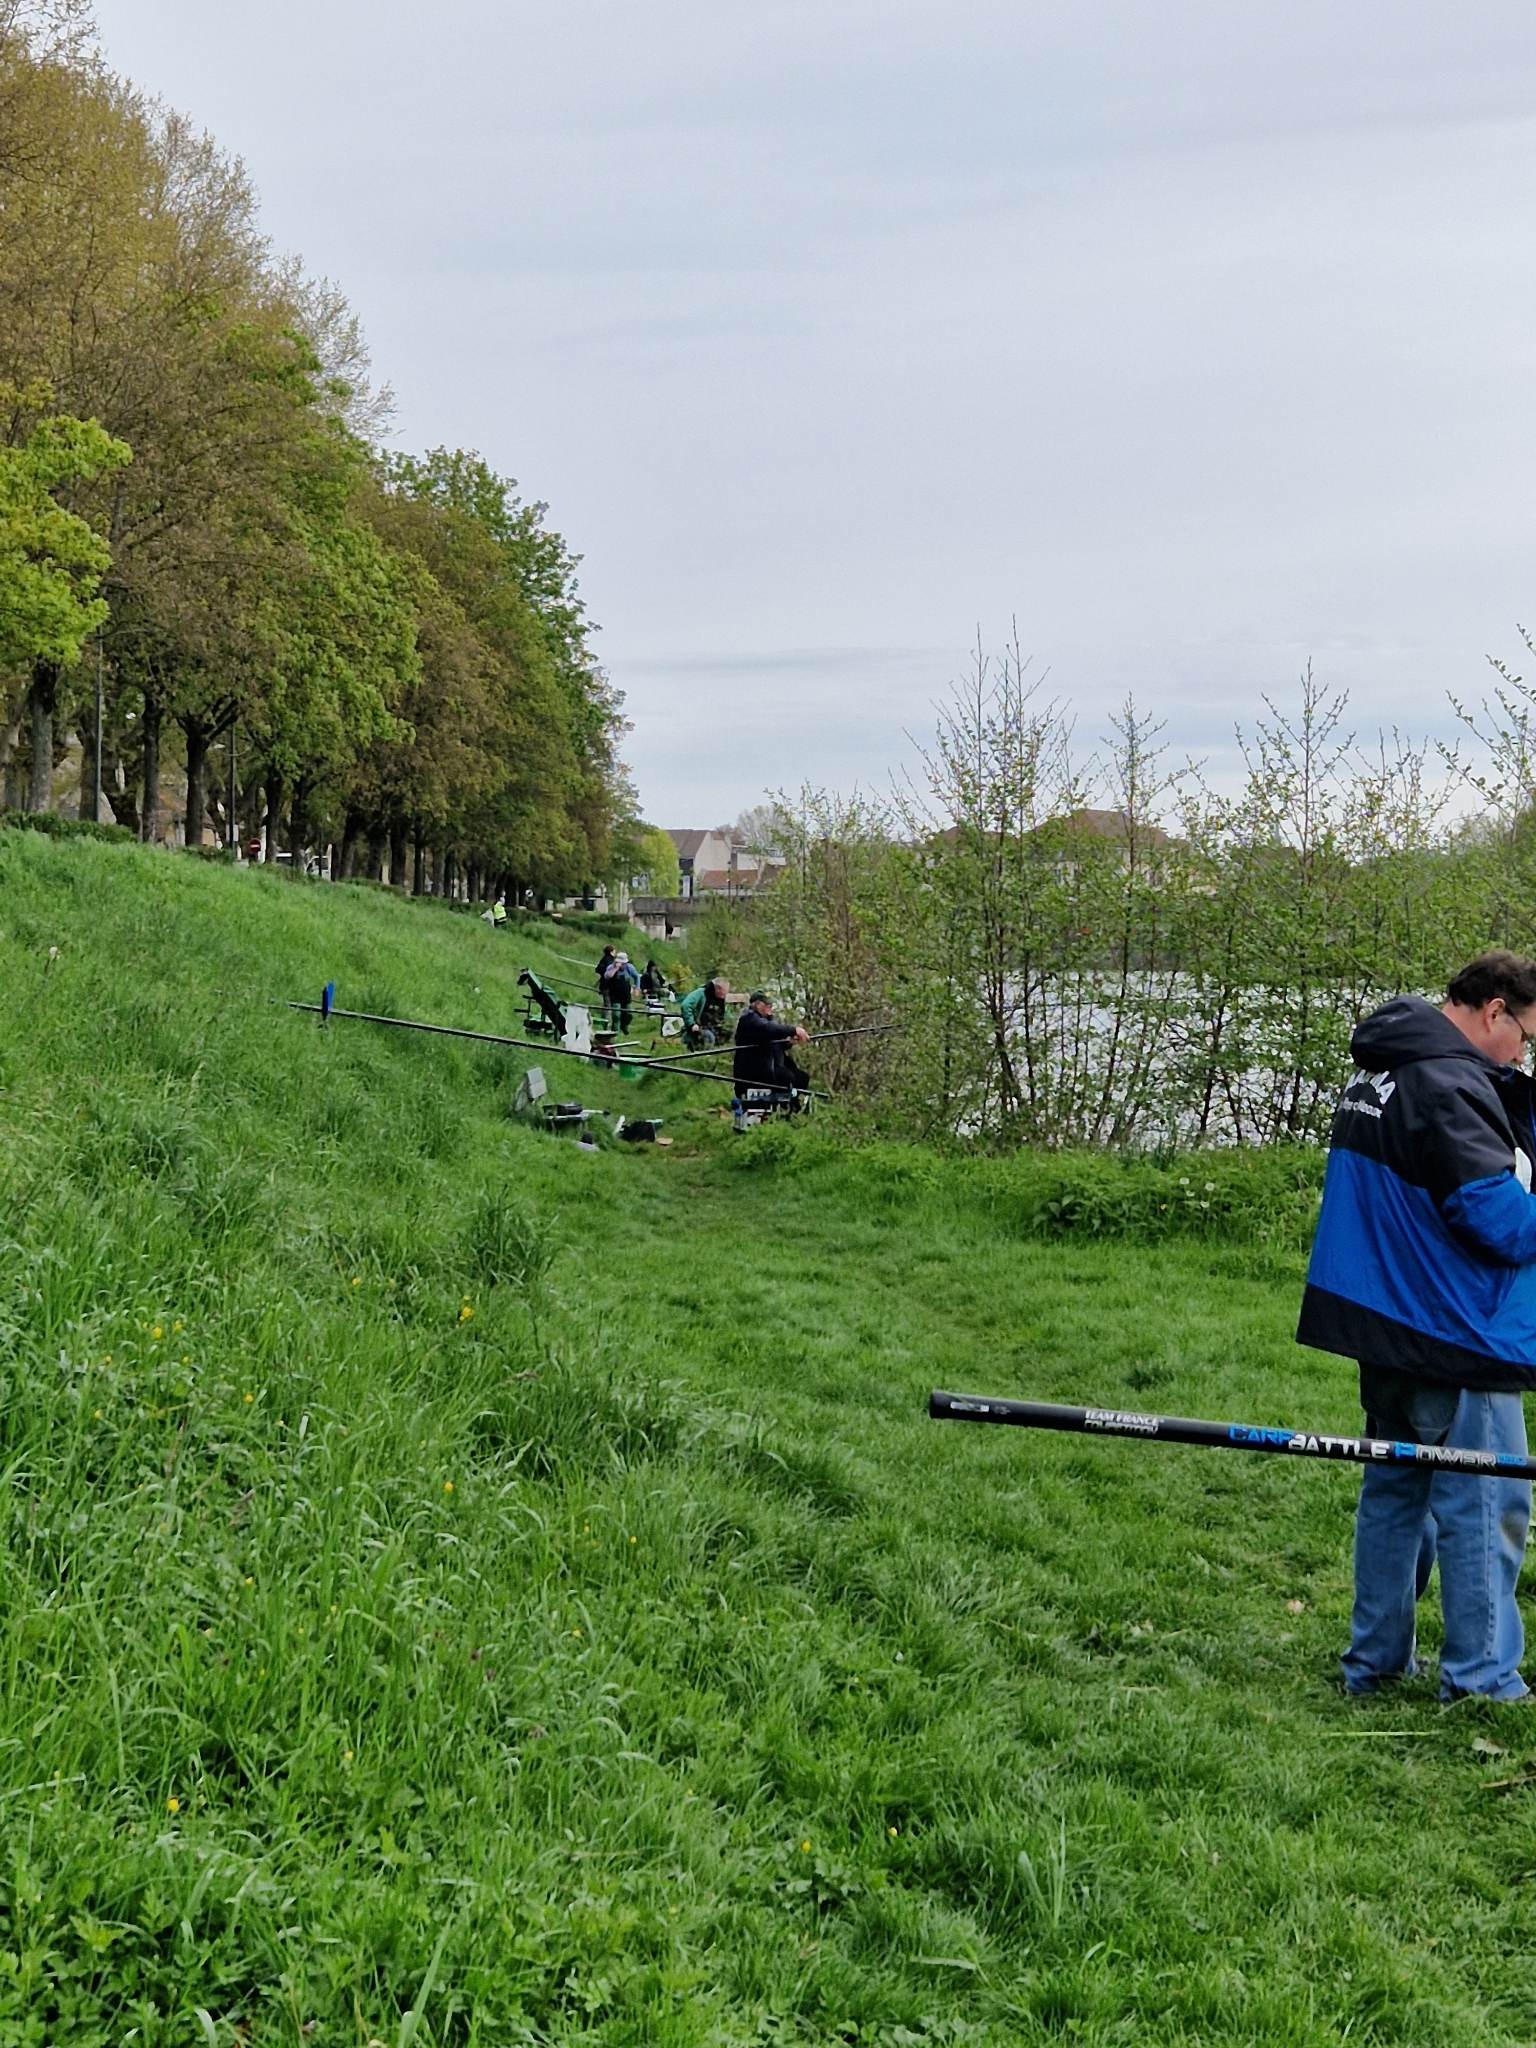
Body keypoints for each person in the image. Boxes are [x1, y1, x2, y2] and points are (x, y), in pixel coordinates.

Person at [1298, 951, 1536, 1702]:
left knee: (1397, 1493)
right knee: (1485, 1502)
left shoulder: (1388, 1061)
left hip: (1383, 1320)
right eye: (1527, 1036)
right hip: (1452, 1330)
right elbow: (1493, 1219)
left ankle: (1374, 1663)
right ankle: (1482, 1681)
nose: (1524, 1054)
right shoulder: (1447, 1079)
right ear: (1496, 1011)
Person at [733, 990, 810, 1103]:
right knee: (787, 1078)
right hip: (753, 1072)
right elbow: (767, 1029)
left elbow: (775, 1042)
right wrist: (794, 1030)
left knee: (802, 1077)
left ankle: (792, 1107)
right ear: (758, 1004)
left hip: (770, 1068)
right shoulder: (748, 1018)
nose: (770, 1007)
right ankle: (785, 1106)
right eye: (767, 1005)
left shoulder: (766, 1021)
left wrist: (788, 1042)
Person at [679, 975, 729, 1049]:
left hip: (713, 1027)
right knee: (709, 1037)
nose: (724, 996)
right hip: (698, 1028)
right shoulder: (701, 993)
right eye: (723, 993)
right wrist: (691, 1024)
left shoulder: (720, 1000)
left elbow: (725, 1014)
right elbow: (685, 1005)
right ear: (717, 989)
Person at [601, 950, 641, 1034]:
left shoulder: (630, 968)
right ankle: (615, 1031)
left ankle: (624, 1026)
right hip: (615, 994)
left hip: (626, 994)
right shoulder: (611, 967)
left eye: (623, 963)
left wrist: (637, 988)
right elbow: (607, 976)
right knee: (616, 1014)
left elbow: (637, 977)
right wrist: (616, 968)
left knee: (628, 1013)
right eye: (620, 963)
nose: (622, 965)